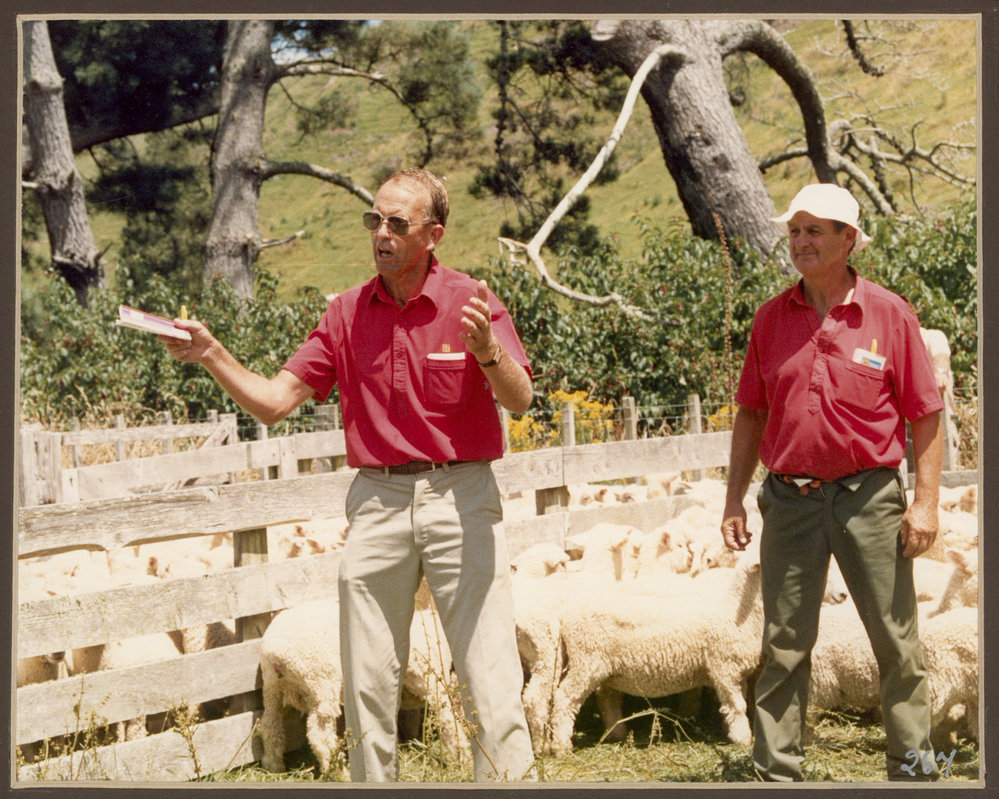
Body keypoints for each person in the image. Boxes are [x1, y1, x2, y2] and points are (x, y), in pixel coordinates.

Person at [159, 167, 536, 782]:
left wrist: (487, 352)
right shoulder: (344, 313)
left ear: (432, 235)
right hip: (377, 502)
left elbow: (519, 401)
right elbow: (274, 402)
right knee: (364, 680)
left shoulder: (472, 301)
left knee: (489, 674)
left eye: (396, 223)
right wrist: (212, 353)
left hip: (460, 494)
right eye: (373, 221)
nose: (380, 233)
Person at [719, 183, 945, 782]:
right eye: (794, 231)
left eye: (815, 231)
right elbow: (751, 412)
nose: (801, 242)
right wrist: (733, 498)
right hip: (789, 501)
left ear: (849, 239)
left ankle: (915, 772)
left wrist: (924, 503)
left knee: (897, 644)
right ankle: (776, 773)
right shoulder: (770, 318)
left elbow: (925, 411)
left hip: (869, 499)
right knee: (783, 646)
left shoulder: (890, 314)